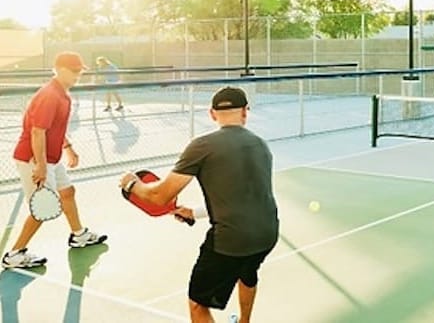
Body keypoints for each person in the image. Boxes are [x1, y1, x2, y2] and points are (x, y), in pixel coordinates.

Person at [119, 86, 279, 323]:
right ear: (246, 111)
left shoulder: (202, 145)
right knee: (247, 274)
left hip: (230, 240)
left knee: (197, 304)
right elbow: (247, 196)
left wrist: (132, 184)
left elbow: (159, 196)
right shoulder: (260, 145)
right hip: (267, 234)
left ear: (212, 114)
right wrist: (194, 212)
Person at [2, 51, 107, 269]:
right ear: (59, 69)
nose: (78, 75)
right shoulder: (50, 95)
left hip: (51, 157)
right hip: (34, 157)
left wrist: (69, 148)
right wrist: (40, 166)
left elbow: (53, 129)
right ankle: (14, 254)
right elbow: (37, 132)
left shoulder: (62, 94)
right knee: (42, 208)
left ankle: (78, 235)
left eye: (80, 71)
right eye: (74, 71)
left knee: (67, 192)